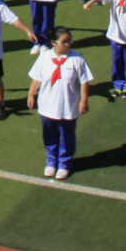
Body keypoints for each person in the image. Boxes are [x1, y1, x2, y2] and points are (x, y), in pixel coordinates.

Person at [27, 28, 94, 179]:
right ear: (53, 43)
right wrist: (31, 94)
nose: (68, 44)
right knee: (49, 135)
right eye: (64, 42)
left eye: (69, 41)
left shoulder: (77, 59)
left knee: (66, 135)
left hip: (68, 105)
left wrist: (84, 101)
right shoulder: (44, 57)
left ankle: (64, 163)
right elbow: (37, 77)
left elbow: (84, 82)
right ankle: (52, 162)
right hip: (47, 105)